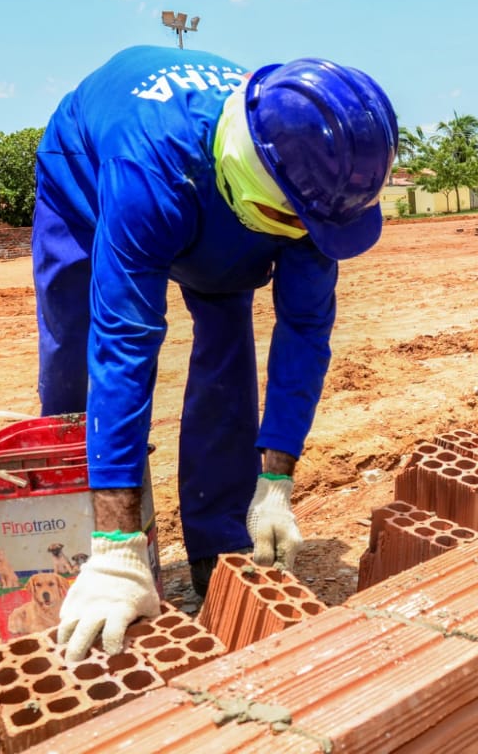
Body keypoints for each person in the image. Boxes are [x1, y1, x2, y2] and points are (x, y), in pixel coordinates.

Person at [33, 45, 397, 659]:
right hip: (92, 169)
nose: (311, 240)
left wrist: (276, 480)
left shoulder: (318, 189)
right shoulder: (152, 171)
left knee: (227, 344)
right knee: (75, 342)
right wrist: (121, 543)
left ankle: (219, 539)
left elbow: (305, 331)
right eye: (298, 224)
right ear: (254, 188)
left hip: (223, 193)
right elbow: (124, 341)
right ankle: (89, 546)